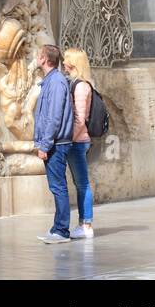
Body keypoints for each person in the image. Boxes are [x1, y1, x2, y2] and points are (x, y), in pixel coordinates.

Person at [34, 43, 74, 245]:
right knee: (56, 186)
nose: (36, 57)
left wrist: (45, 144)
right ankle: (57, 227)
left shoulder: (56, 81)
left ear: (44, 59)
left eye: (38, 55)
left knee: (58, 187)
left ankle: (62, 230)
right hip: (53, 142)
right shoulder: (50, 81)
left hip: (56, 143)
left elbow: (54, 117)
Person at [63, 47, 95, 240]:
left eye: (66, 59)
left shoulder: (81, 86)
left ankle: (87, 224)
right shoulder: (75, 83)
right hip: (76, 141)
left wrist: (68, 139)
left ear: (73, 62)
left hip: (78, 141)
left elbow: (80, 119)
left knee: (82, 183)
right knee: (79, 182)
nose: (63, 62)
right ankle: (84, 223)